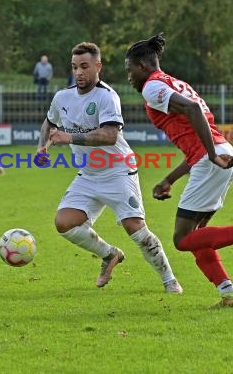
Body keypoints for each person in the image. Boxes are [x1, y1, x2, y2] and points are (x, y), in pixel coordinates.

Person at [125, 33, 233, 309]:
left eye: (129, 70)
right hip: (220, 154)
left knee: (182, 239)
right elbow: (195, 133)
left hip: (213, 159)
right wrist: (170, 178)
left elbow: (192, 110)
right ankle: (229, 295)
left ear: (142, 66)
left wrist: (212, 155)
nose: (129, 77)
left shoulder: (152, 87)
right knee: (197, 236)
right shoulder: (173, 82)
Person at [36, 42, 183, 293]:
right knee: (64, 223)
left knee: (135, 229)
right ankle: (109, 254)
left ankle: (169, 280)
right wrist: (42, 148)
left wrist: (69, 138)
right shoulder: (63, 97)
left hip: (118, 172)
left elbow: (109, 135)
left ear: (98, 66)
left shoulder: (106, 96)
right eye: (74, 67)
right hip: (88, 175)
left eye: (84, 66)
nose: (79, 72)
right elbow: (49, 122)